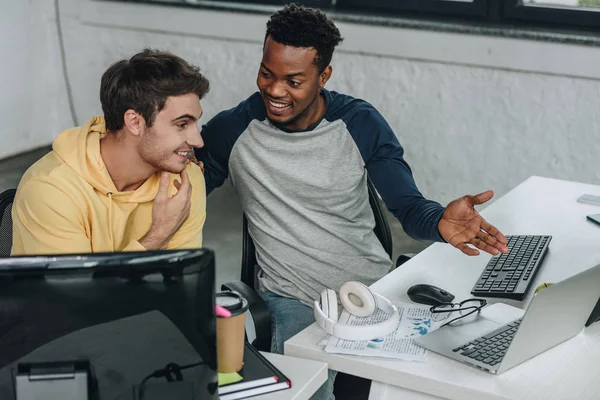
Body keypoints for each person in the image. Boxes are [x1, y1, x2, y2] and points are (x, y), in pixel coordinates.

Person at [195, 4, 508, 399]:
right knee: (304, 392)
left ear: (323, 75)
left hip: (372, 291)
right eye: (267, 73)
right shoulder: (232, 130)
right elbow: (184, 193)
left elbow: (409, 207)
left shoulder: (359, 123)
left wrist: (439, 223)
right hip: (292, 299)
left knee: (428, 383)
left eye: (293, 81)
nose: (275, 91)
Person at [12, 49, 209, 255]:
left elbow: (181, 282)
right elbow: (76, 287)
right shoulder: (51, 190)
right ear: (134, 122)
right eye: (182, 124)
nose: (198, 141)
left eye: (195, 123)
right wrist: (160, 234)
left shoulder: (185, 182)